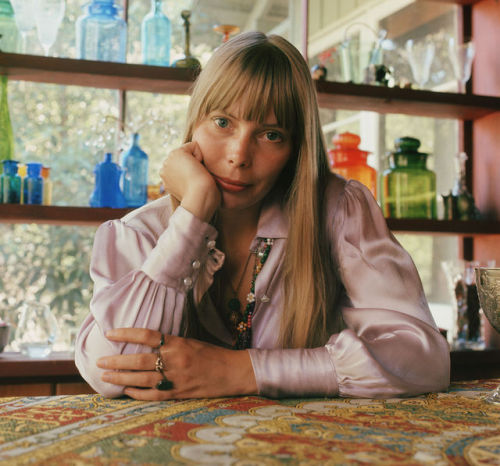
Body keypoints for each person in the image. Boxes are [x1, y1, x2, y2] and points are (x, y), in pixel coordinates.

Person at [75, 32, 450, 400]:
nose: (239, 155)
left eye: (271, 134)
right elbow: (111, 370)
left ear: (295, 149)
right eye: (222, 122)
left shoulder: (338, 212)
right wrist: (192, 216)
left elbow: (422, 359)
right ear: (195, 123)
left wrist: (241, 370)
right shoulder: (141, 232)